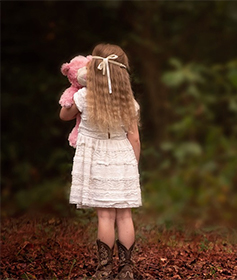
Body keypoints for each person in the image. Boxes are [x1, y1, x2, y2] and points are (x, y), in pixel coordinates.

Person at [60, 43, 141, 280]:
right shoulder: (129, 102)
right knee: (125, 215)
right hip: (122, 157)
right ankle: (126, 270)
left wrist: (75, 88)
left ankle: (104, 269)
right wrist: (132, 165)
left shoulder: (84, 97)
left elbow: (64, 115)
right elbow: (134, 137)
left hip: (96, 159)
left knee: (105, 216)